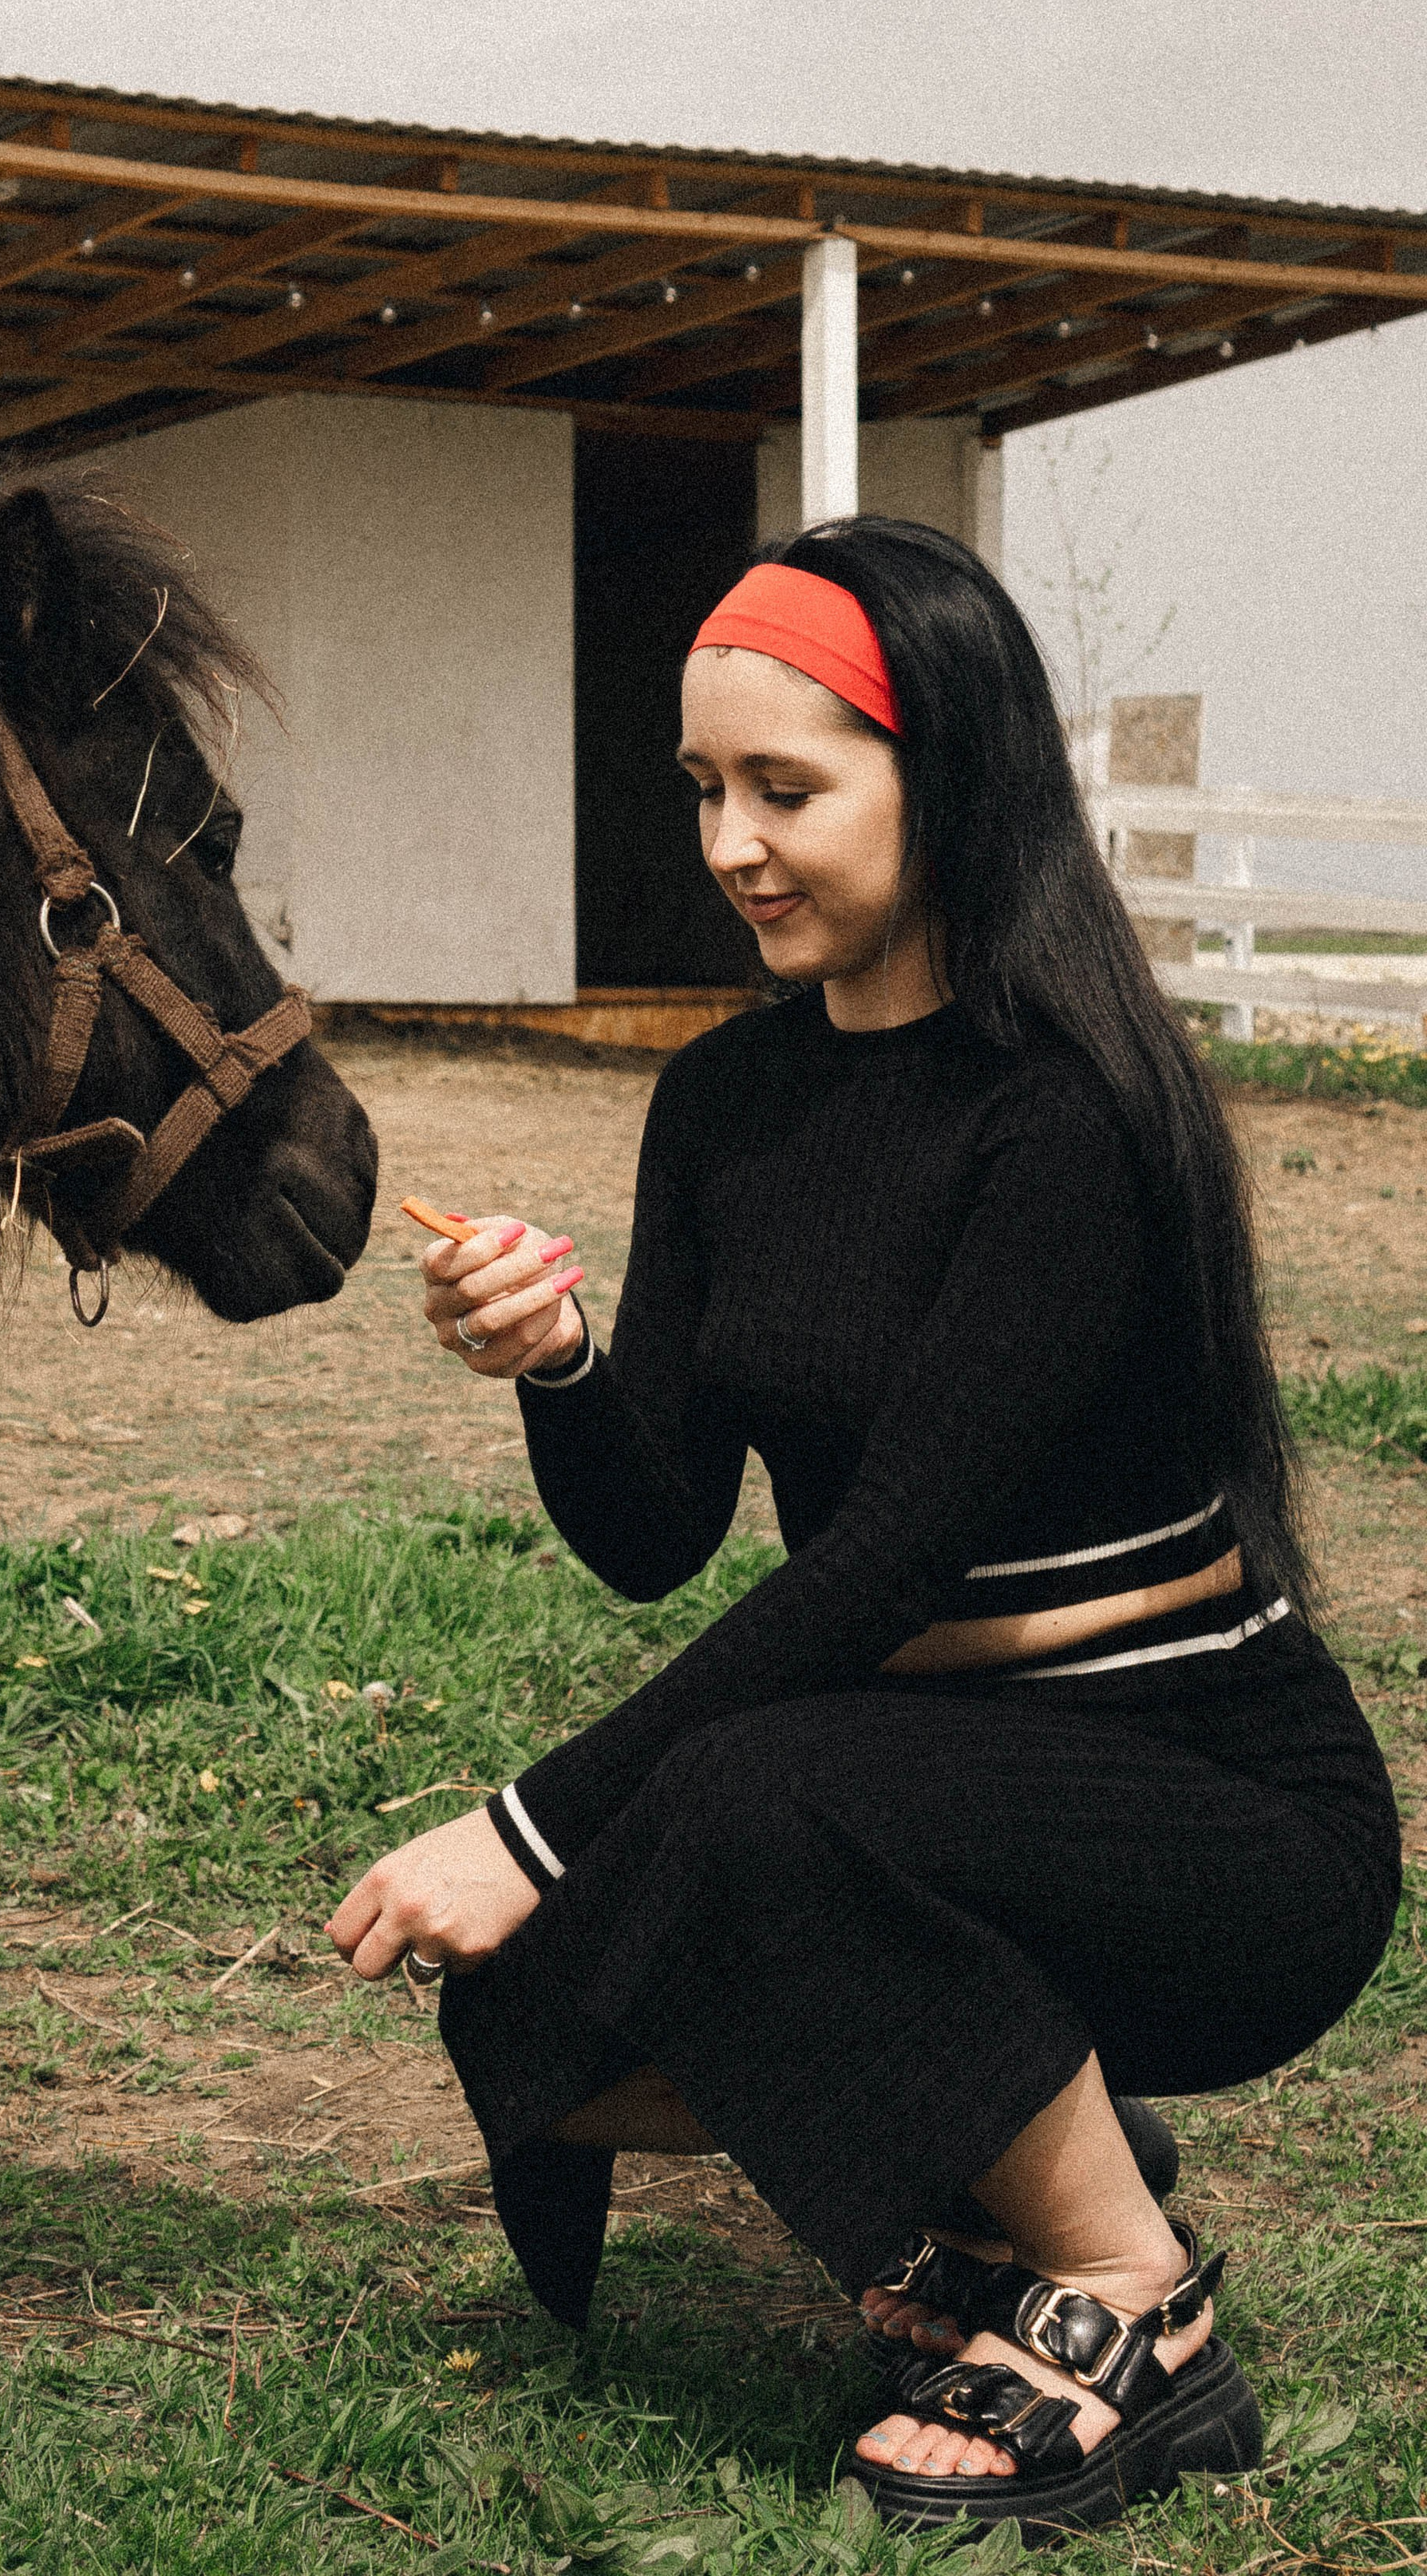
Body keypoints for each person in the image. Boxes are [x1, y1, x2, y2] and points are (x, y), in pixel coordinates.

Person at [325, 519, 1400, 2543]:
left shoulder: (1067, 1114)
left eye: (784, 789)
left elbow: (879, 1566)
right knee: (527, 2013)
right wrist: (558, 1362)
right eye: (701, 789)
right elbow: (656, 1534)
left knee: (739, 1799)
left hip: (1213, 1819)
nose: (729, 845)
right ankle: (1005, 2140)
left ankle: (1128, 2298)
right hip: (920, 1790)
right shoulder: (723, 1104)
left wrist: (528, 1828)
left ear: (948, 777)